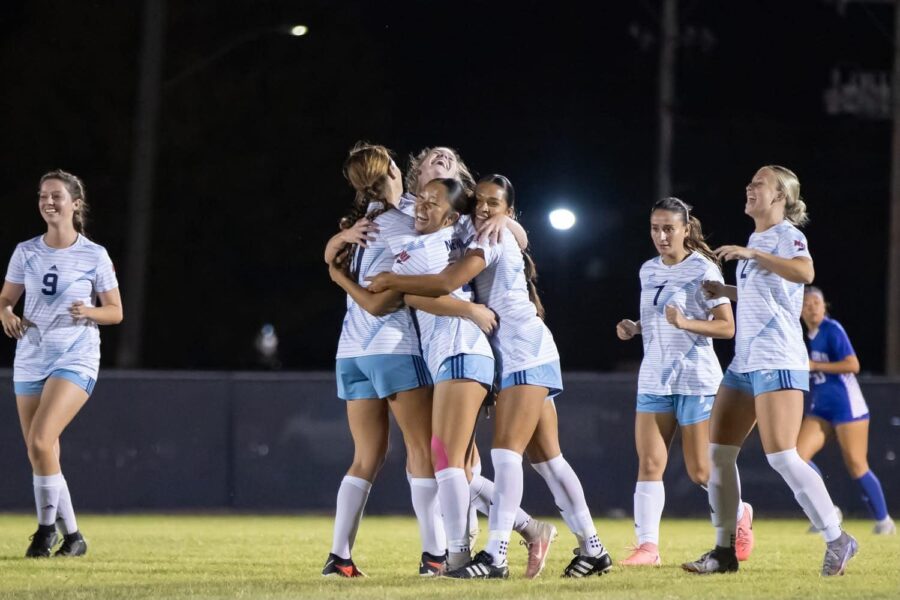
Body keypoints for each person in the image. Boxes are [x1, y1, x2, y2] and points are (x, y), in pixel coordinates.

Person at [367, 175, 611, 579]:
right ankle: (594, 549)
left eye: (493, 203)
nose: (483, 208)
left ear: (508, 211)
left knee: (504, 453)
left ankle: (496, 556)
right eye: (479, 201)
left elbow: (448, 282)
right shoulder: (476, 232)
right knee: (548, 460)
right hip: (518, 353)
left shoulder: (491, 238)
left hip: (523, 351)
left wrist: (393, 280)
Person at [682, 165, 857, 577]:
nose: (749, 187)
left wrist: (754, 254)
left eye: (758, 183)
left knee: (781, 455)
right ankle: (724, 551)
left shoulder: (784, 235)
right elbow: (769, 294)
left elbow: (805, 272)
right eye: (749, 183)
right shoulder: (757, 240)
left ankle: (837, 537)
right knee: (719, 454)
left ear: (780, 196)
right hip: (745, 361)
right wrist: (724, 292)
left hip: (778, 358)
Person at [321, 143, 448, 577]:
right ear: (396, 167)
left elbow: (341, 264)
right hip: (392, 349)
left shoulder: (362, 223)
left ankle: (339, 557)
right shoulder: (403, 223)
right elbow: (382, 303)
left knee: (366, 457)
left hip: (350, 353)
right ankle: (435, 555)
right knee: (424, 451)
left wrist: (335, 262)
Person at [616, 197, 754, 566]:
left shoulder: (703, 269)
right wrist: (636, 327)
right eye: (654, 228)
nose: (660, 236)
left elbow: (727, 327)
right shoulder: (648, 270)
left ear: (685, 229)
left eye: (668, 229)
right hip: (654, 380)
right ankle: (648, 548)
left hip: (695, 380)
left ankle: (740, 514)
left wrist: (686, 323)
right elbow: (662, 315)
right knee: (649, 464)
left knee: (700, 471)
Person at [0, 170, 123, 558]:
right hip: (31, 356)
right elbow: (6, 299)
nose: (48, 202)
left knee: (40, 440)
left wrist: (89, 310)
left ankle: (43, 531)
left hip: (75, 356)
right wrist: (5, 312)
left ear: (75, 204)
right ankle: (73, 536)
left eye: (56, 196)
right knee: (43, 451)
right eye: (42, 196)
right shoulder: (26, 251)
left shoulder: (94, 254)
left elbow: (116, 312)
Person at [797, 286, 895, 535]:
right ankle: (829, 510)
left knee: (856, 464)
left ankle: (884, 522)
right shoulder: (805, 337)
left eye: (816, 302)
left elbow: (853, 364)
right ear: (798, 309)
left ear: (824, 306)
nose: (812, 307)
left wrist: (814, 364)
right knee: (796, 457)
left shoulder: (832, 329)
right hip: (822, 408)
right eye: (806, 303)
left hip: (847, 406)